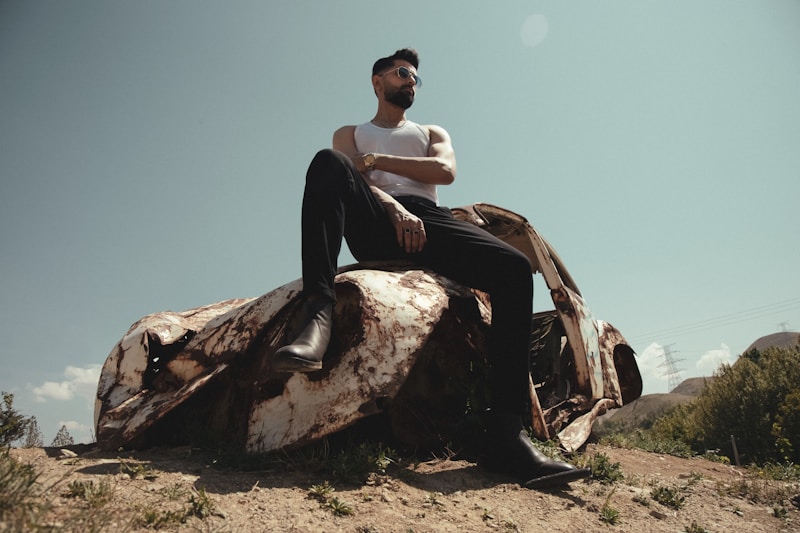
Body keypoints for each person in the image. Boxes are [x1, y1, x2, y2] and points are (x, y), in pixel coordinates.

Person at [273, 48, 588, 488]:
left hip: (432, 220)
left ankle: (505, 436)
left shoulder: (429, 131)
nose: (411, 83)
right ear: (377, 82)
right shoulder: (351, 133)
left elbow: (445, 170)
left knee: (515, 270)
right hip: (376, 220)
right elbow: (350, 175)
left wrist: (377, 163)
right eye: (403, 74)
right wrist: (392, 207)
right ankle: (317, 314)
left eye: (417, 78)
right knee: (327, 163)